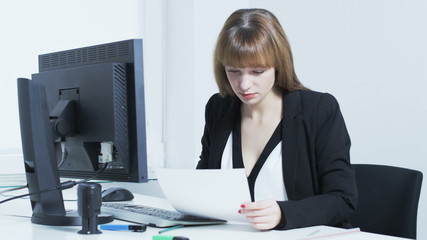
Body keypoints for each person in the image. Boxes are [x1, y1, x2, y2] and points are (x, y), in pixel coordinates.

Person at [196, 8, 358, 231]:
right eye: (234, 71)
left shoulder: (319, 111)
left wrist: (283, 213)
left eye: (257, 71)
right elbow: (203, 184)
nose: (244, 85)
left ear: (278, 65)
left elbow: (343, 200)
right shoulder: (219, 108)